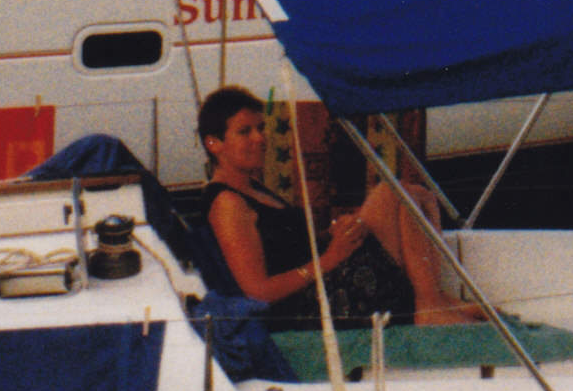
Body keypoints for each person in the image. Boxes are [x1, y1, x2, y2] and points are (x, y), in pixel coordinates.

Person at [197, 86, 478, 325]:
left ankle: (434, 299)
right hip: (311, 307)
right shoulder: (227, 203)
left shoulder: (252, 189)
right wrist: (331, 257)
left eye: (260, 128)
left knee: (420, 196)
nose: (259, 138)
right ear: (214, 143)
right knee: (393, 194)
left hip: (324, 277)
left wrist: (334, 235)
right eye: (244, 132)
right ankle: (430, 304)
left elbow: (289, 248)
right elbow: (257, 292)